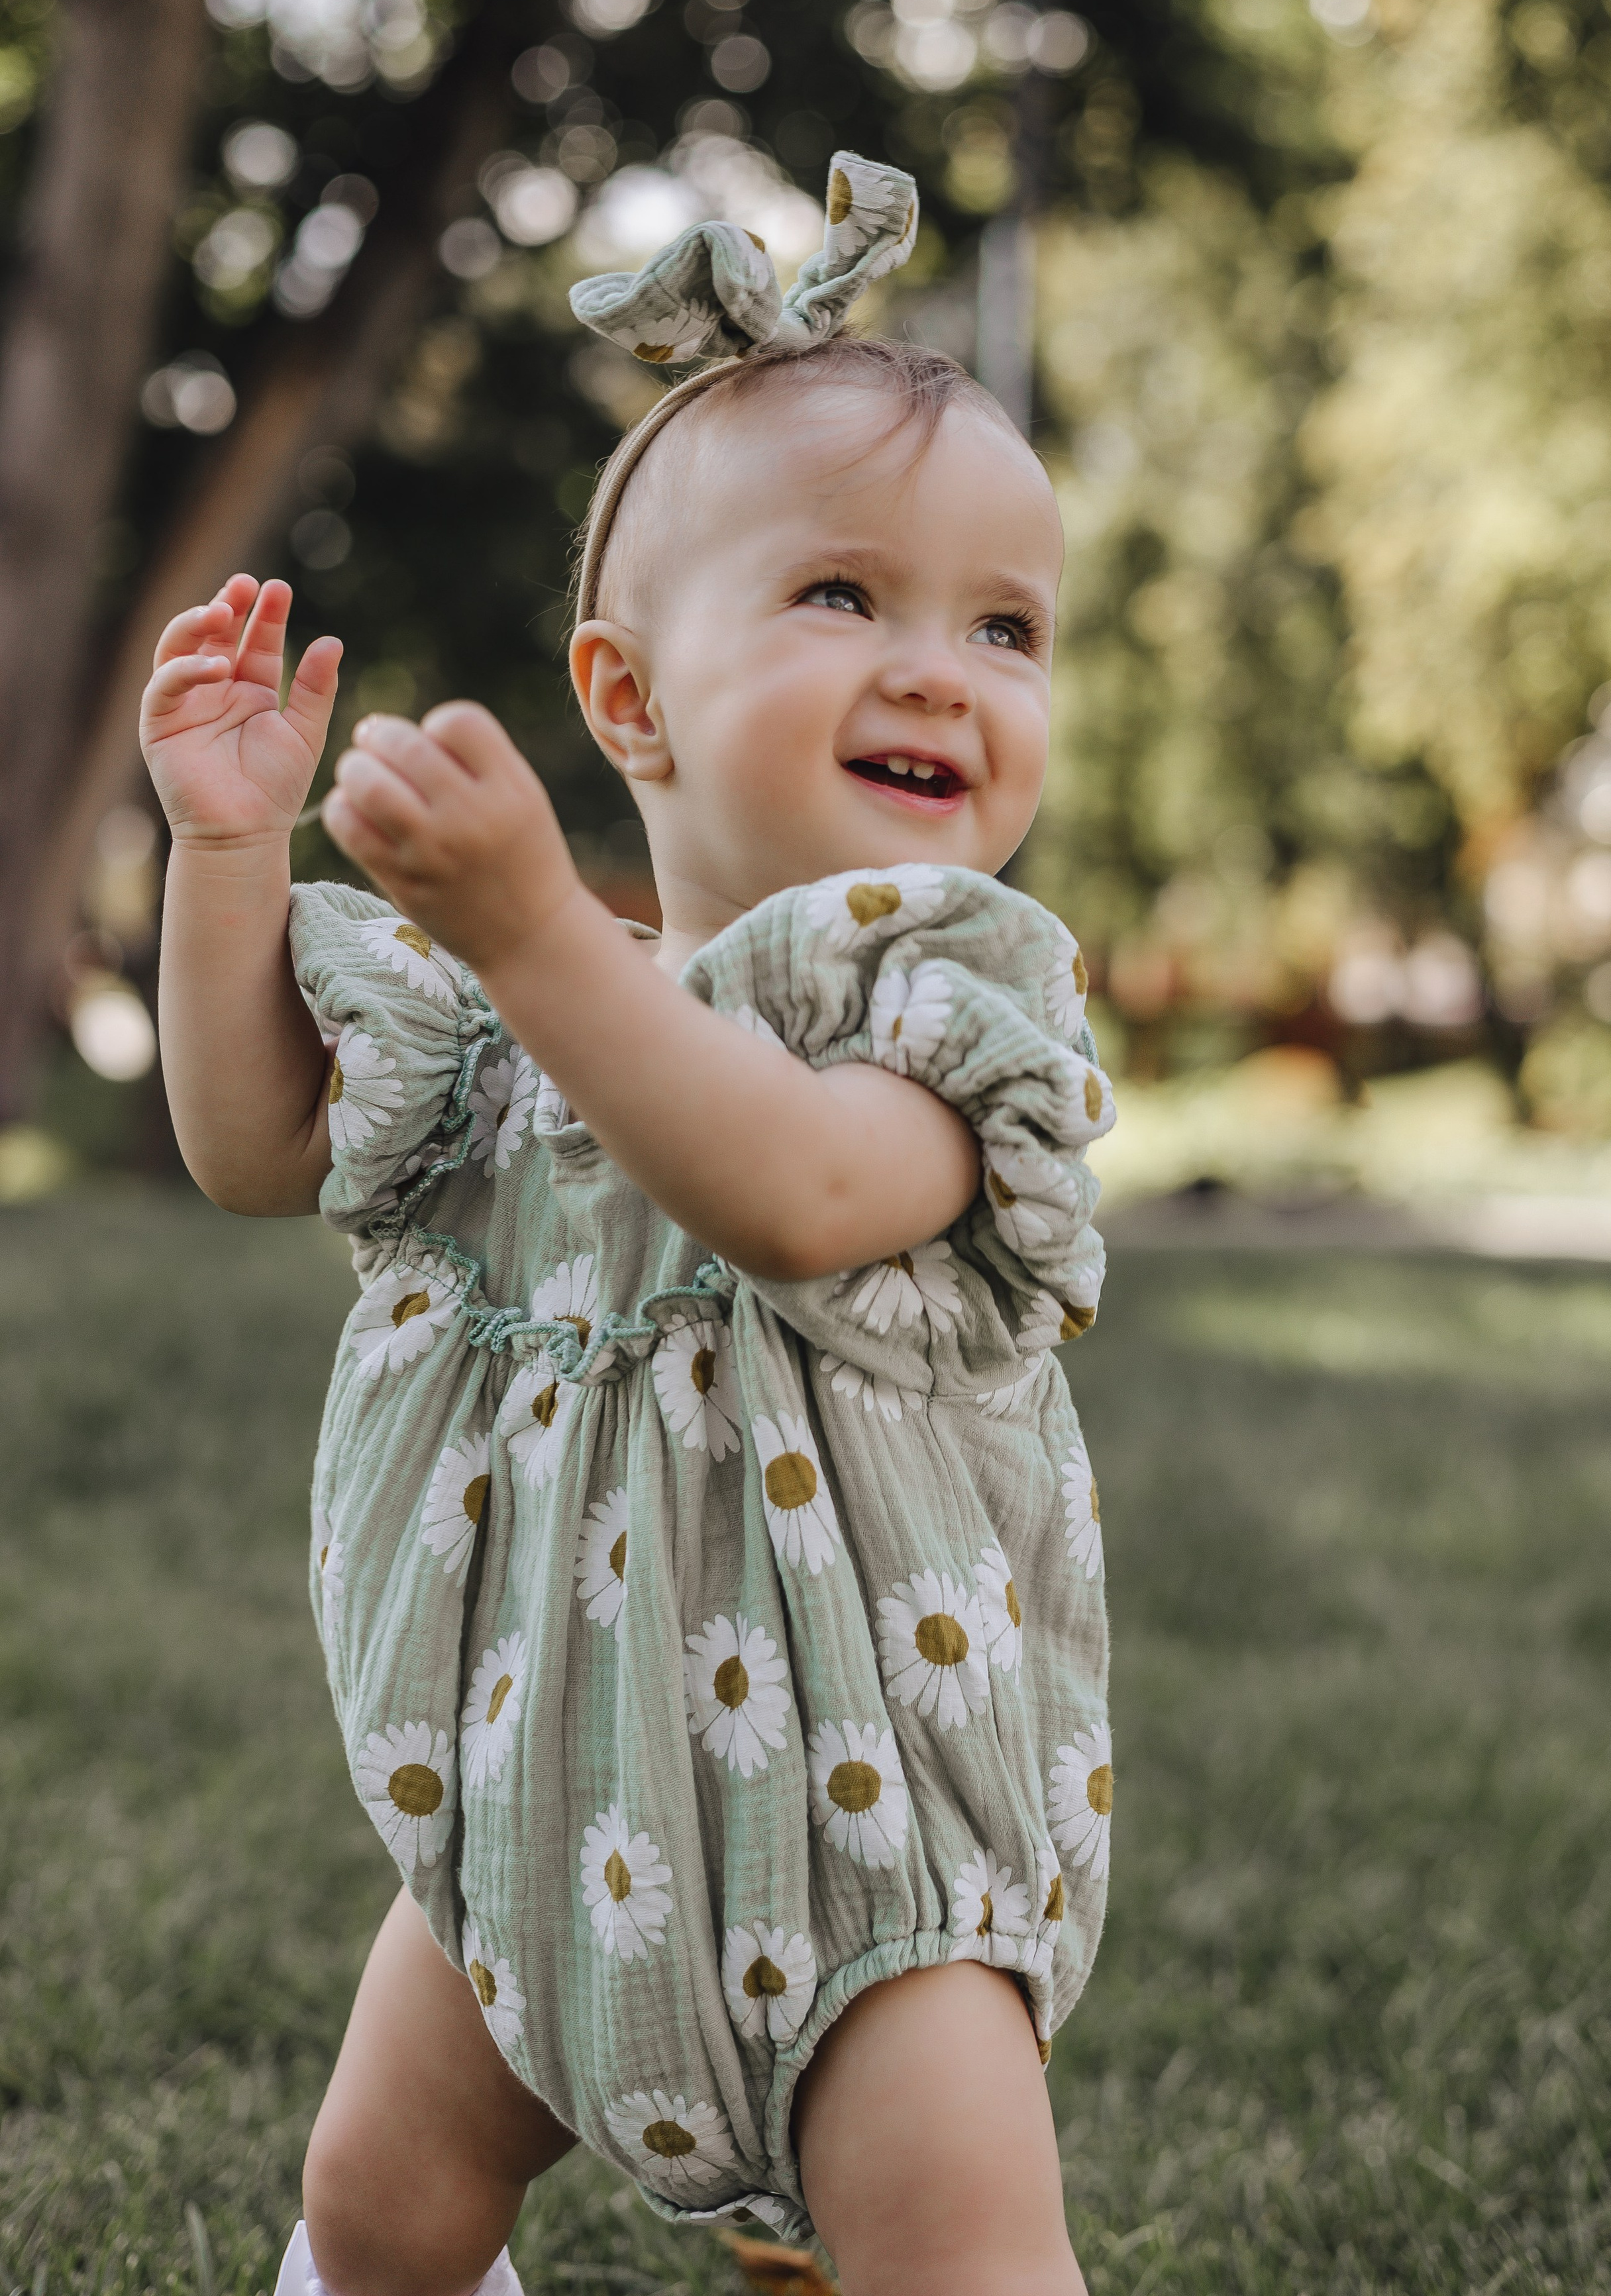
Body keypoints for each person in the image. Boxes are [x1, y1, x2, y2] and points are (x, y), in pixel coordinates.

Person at [140, 154, 1116, 2296]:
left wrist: (526, 942)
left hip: (880, 1836)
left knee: (953, 2247)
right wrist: (232, 852)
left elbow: (787, 1189)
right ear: (628, 698)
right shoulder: (527, 1020)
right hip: (539, 1786)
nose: (944, 669)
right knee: (376, 2204)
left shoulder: (954, 1006)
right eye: (846, 597)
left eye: (1008, 623)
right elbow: (247, 1148)